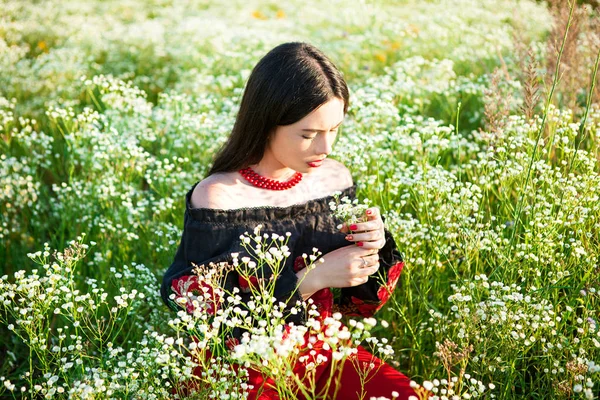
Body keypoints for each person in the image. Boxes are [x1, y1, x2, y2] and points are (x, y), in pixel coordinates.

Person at [161, 42, 425, 399]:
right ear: (267, 121)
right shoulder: (218, 196)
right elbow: (198, 309)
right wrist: (309, 280)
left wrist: (372, 247)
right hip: (241, 368)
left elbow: (358, 304)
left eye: (334, 129)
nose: (325, 147)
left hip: (322, 350)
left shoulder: (334, 179)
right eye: (308, 134)